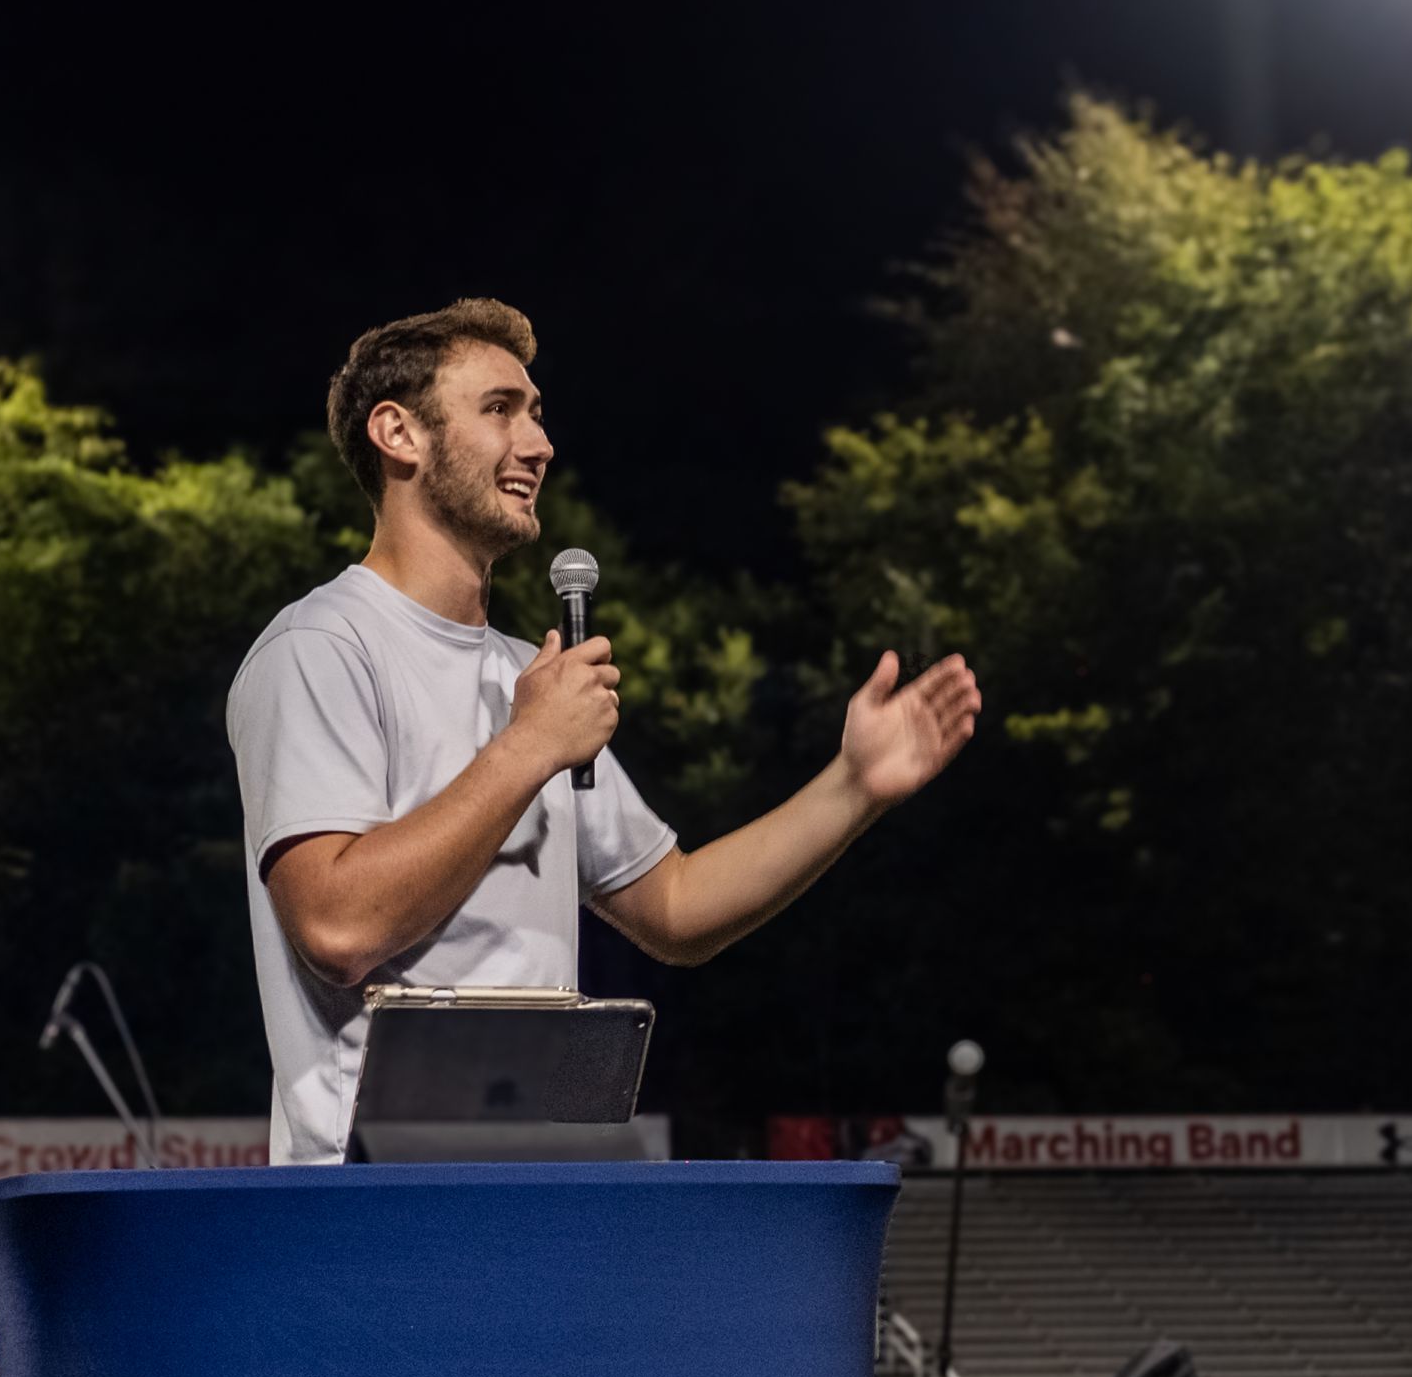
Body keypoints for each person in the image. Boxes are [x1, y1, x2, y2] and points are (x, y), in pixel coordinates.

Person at [227, 296, 983, 1162]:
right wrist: (527, 749)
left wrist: (852, 787)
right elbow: (337, 927)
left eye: (538, 416)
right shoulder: (321, 647)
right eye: (500, 409)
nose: (539, 446)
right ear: (399, 434)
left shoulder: (529, 675)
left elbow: (678, 907)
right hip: (373, 1223)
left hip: (544, 1193)